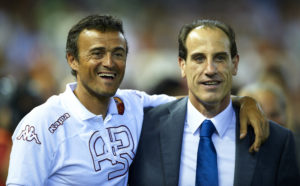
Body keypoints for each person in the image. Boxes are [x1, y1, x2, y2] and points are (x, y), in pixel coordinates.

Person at [6, 15, 267, 186]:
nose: (109, 62)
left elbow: (197, 103)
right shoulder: (40, 125)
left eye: (118, 53)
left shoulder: (134, 105)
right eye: (97, 53)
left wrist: (243, 101)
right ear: (72, 60)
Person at [129, 19, 300, 186]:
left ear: (235, 64)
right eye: (198, 58)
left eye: (219, 58)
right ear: (182, 65)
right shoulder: (144, 129)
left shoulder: (277, 141)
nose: (210, 69)